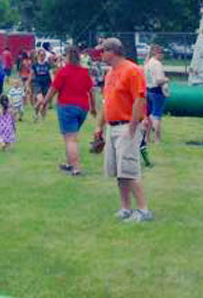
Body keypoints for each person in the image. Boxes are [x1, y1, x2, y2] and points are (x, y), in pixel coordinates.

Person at [96, 37, 154, 223]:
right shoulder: (110, 73)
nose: (100, 54)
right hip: (112, 127)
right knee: (119, 171)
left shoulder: (132, 70)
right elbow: (106, 102)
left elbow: (140, 98)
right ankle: (125, 207)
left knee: (130, 169)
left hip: (126, 126)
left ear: (112, 51)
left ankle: (144, 210)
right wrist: (99, 126)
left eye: (103, 50)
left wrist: (133, 125)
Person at [44, 46, 97, 175]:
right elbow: (91, 91)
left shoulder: (63, 71)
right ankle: (69, 163)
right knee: (71, 136)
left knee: (70, 139)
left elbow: (53, 89)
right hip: (83, 108)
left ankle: (76, 168)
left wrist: (44, 102)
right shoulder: (84, 72)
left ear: (67, 57)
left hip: (67, 107)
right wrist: (93, 108)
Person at [143, 45, 170, 144]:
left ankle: (146, 137)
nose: (163, 56)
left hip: (148, 91)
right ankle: (157, 138)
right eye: (162, 53)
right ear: (157, 53)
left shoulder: (147, 63)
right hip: (157, 91)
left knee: (149, 115)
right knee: (156, 115)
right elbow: (159, 80)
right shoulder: (157, 64)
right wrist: (166, 79)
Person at [31, 49, 53, 120]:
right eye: (41, 55)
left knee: (45, 102)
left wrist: (54, 82)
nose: (42, 57)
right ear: (38, 56)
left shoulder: (47, 65)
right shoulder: (35, 65)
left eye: (43, 55)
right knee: (40, 100)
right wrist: (27, 85)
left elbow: (51, 74)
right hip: (37, 84)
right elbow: (31, 75)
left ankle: (42, 117)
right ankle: (35, 110)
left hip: (46, 84)